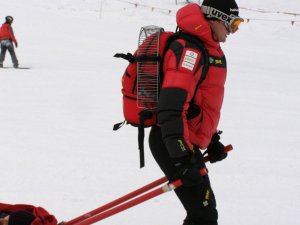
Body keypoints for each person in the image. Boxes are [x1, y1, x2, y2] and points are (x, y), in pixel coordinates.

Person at [148, 1, 243, 225]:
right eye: (233, 24)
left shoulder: (206, 49)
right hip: (171, 141)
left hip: (182, 141)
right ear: (216, 18)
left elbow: (197, 104)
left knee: (204, 214)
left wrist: (210, 140)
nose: (232, 31)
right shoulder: (189, 52)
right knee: (204, 215)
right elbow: (171, 108)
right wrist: (181, 159)